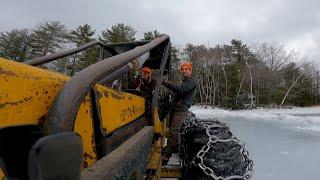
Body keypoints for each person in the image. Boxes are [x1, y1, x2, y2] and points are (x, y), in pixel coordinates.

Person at [162, 62, 197, 164]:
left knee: (173, 131)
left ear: (190, 70)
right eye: (182, 69)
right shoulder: (185, 81)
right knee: (169, 130)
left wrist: (166, 83)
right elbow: (178, 94)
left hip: (181, 111)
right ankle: (174, 147)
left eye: (186, 69)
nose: (184, 71)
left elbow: (181, 90)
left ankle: (166, 155)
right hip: (176, 109)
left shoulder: (191, 82)